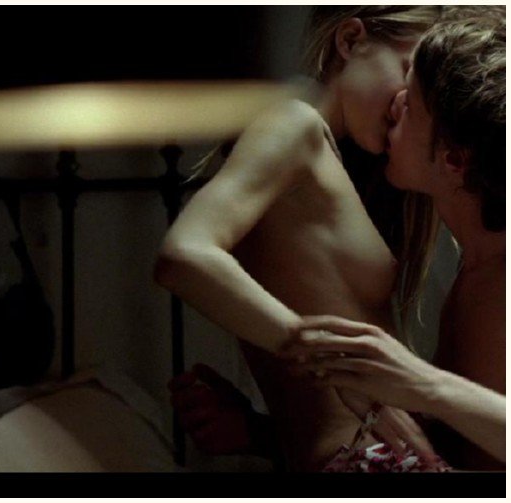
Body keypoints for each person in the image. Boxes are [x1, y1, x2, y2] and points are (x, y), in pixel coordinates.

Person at [153, 6, 444, 471]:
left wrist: (256, 430)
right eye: (407, 71)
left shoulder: (339, 164)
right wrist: (337, 366)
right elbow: (183, 256)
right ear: (350, 40)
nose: (407, 101)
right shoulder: (293, 121)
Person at [284, 15, 506, 470]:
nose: (396, 102)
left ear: (454, 159)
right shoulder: (476, 265)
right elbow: (453, 446)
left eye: (412, 105)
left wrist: (421, 383)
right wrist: (255, 430)